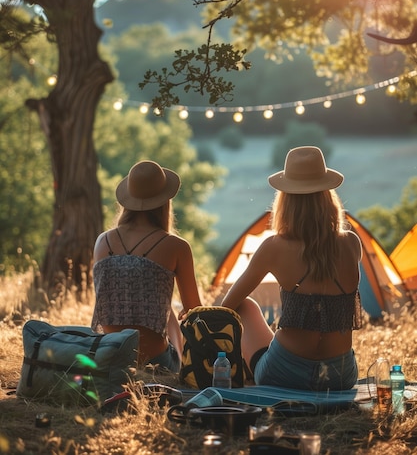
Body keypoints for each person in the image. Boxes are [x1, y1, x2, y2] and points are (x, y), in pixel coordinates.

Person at [222, 146, 363, 391]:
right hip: (340, 376)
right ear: (328, 197)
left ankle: (236, 371)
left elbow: (227, 307)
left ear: (285, 201)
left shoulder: (274, 247)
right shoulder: (351, 243)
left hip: (285, 374)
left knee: (245, 306)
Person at [92, 160, 202, 372]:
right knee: (171, 310)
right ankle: (179, 367)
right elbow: (195, 311)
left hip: (109, 359)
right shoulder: (176, 246)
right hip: (155, 363)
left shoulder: (102, 242)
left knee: (167, 307)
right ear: (165, 202)